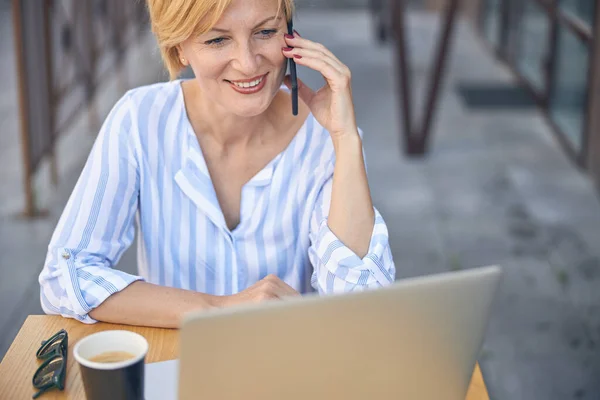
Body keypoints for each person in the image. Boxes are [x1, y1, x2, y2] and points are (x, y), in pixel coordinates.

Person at [38, 0, 396, 328]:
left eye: (265, 32)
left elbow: (362, 307)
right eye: (216, 40)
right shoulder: (139, 120)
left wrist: (346, 138)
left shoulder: (325, 140)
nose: (248, 62)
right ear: (180, 48)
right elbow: (65, 274)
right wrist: (218, 309)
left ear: (291, 36)